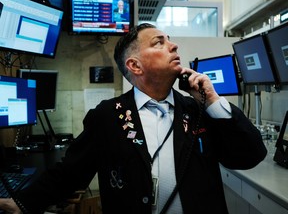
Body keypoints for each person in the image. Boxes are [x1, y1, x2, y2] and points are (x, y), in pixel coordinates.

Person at [0, 23, 267, 214]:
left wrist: (212, 101)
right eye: (158, 42)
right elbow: (70, 173)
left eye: (169, 39)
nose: (173, 45)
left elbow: (249, 155)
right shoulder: (106, 116)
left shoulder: (197, 110)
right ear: (135, 66)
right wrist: (23, 204)